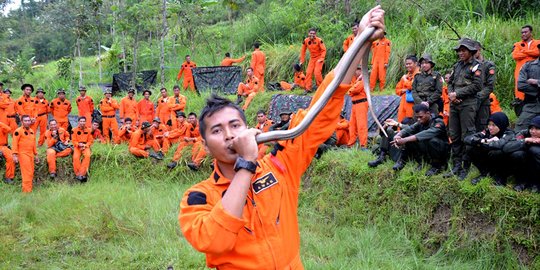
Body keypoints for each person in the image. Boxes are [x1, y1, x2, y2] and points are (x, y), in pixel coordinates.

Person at [178, 7, 385, 268]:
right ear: (205, 146)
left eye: (235, 125)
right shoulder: (198, 197)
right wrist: (247, 164)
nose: (229, 134)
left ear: (249, 128)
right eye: (217, 131)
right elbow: (216, 240)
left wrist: (361, 40)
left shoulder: (280, 165)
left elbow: (322, 104)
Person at [444, 38, 483, 180]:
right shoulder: (457, 66)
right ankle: (456, 165)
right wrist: (452, 95)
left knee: (467, 135)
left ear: (471, 52)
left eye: (463, 50)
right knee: (454, 134)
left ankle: (465, 167)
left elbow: (477, 86)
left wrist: (458, 94)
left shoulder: (477, 66)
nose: (460, 53)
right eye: (459, 51)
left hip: (468, 104)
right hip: (454, 104)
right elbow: (450, 83)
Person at [391, 104, 449, 176]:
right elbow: (409, 129)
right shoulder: (420, 122)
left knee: (432, 141)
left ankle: (437, 166)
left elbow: (427, 133)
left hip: (441, 150)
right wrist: (398, 136)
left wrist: (405, 140)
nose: (418, 119)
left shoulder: (438, 122)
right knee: (409, 137)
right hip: (428, 150)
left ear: (428, 113)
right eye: (417, 117)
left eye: (421, 117)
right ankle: (409, 162)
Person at [464, 112, 514, 185]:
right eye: (489, 124)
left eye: (493, 125)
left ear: (501, 125)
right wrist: (483, 140)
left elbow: (498, 145)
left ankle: (500, 178)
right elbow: (468, 138)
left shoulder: (509, 133)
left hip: (505, 163)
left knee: (496, 152)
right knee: (470, 148)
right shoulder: (487, 131)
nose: (490, 127)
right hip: (489, 158)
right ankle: (485, 173)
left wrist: (481, 144)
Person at [504, 115, 540, 192]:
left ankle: (536, 183)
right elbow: (507, 147)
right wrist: (525, 141)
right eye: (531, 128)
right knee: (517, 154)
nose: (533, 131)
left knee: (535, 151)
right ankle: (521, 182)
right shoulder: (524, 133)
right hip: (526, 165)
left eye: (537, 129)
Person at [511, 25, 540, 102]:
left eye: (525, 32)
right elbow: (515, 55)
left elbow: (537, 52)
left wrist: (523, 51)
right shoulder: (517, 44)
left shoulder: (538, 42)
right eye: (522, 32)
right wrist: (531, 54)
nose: (523, 34)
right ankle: (520, 107)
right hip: (520, 70)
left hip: (535, 69)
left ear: (531, 32)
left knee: (535, 86)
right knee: (520, 88)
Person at [515, 47, 540, 132]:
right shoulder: (528, 66)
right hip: (531, 105)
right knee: (518, 133)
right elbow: (521, 85)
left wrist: (537, 82)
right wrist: (537, 92)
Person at [12, 115, 39, 192]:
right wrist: (14, 155)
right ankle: (26, 192)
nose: (27, 122)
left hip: (30, 154)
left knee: (31, 172)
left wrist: (36, 154)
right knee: (27, 173)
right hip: (23, 154)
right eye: (25, 121)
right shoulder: (18, 131)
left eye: (28, 121)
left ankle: (29, 189)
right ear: (22, 122)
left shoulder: (31, 131)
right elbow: (14, 143)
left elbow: (33, 144)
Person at [474, 41, 497, 131]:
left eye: (474, 51)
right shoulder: (470, 65)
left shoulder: (488, 65)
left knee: (482, 127)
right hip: (470, 102)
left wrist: (478, 97)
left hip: (483, 102)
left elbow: (490, 86)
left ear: (479, 50)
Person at [347, 66, 368, 147]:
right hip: (355, 104)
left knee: (361, 126)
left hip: (361, 104)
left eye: (358, 70)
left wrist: (351, 88)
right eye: (356, 69)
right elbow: (351, 91)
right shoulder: (357, 81)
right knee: (352, 125)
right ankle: (351, 144)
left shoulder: (363, 80)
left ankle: (363, 145)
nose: (356, 72)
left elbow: (354, 90)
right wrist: (352, 87)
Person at [395, 55, 420, 123]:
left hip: (413, 103)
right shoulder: (406, 76)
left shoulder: (419, 75)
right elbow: (397, 90)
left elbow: (412, 86)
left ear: (415, 63)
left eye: (410, 64)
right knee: (400, 121)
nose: (408, 65)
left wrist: (405, 81)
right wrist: (404, 90)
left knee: (411, 122)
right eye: (406, 64)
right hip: (403, 103)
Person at [72, 116, 93, 182]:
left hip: (85, 146)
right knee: (75, 157)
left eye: (84, 121)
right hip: (77, 146)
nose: (82, 123)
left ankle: (82, 174)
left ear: (85, 122)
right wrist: (78, 144)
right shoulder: (74, 130)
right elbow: (73, 140)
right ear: (78, 122)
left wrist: (86, 145)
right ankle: (78, 174)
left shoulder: (89, 130)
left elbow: (90, 141)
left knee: (87, 156)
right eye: (81, 121)